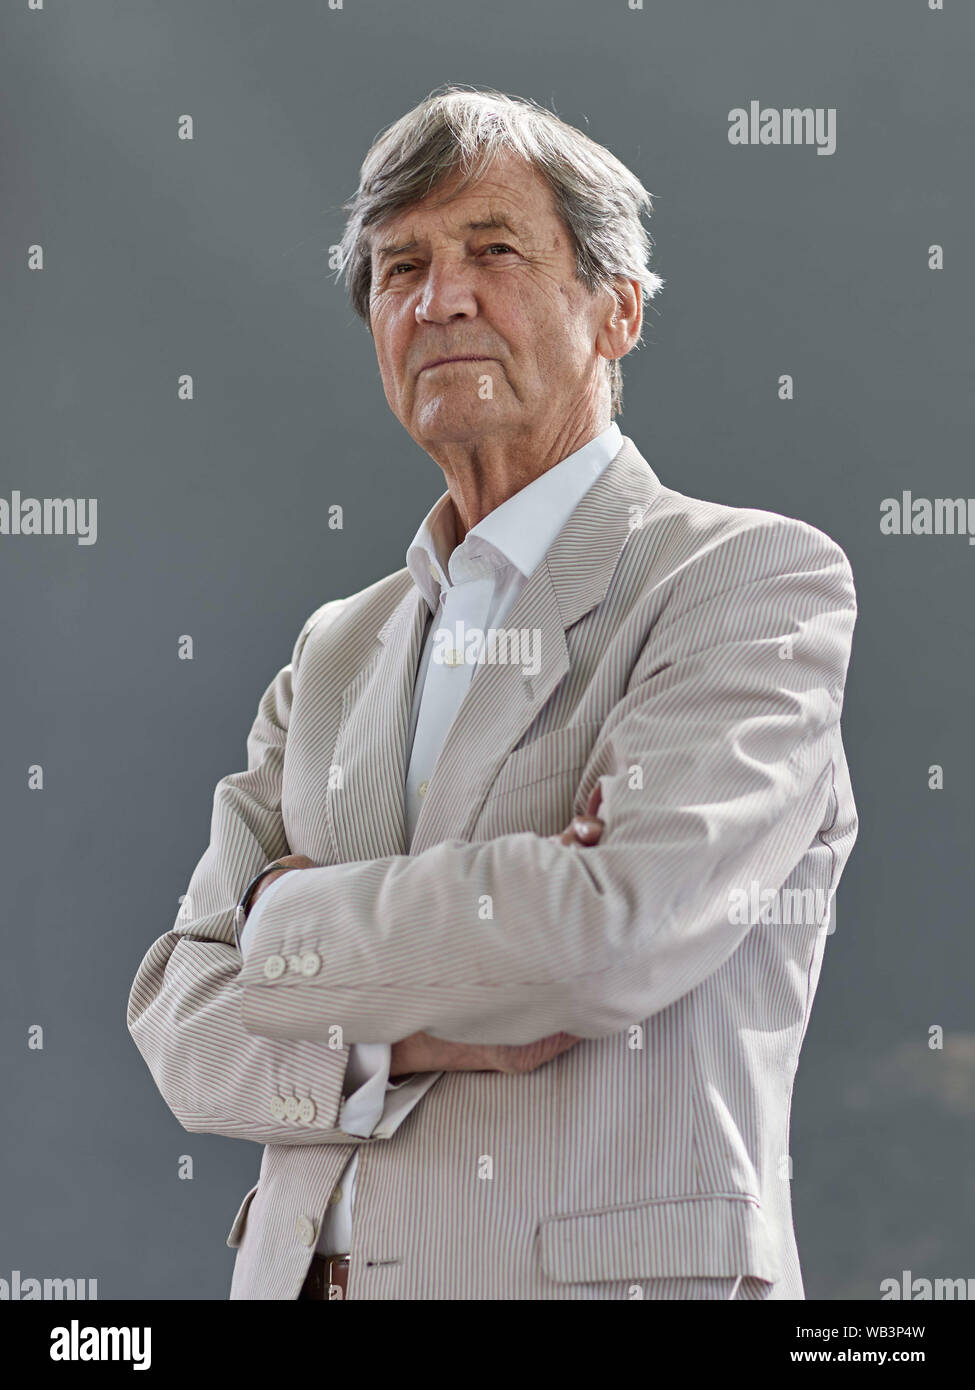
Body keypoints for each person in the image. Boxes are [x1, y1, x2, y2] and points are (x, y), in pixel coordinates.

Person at [127, 85, 858, 1300]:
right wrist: (425, 1020)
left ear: (617, 311)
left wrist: (284, 928)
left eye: (494, 250)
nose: (438, 296)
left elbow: (604, 936)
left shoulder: (745, 580)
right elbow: (180, 1020)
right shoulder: (334, 648)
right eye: (398, 265)